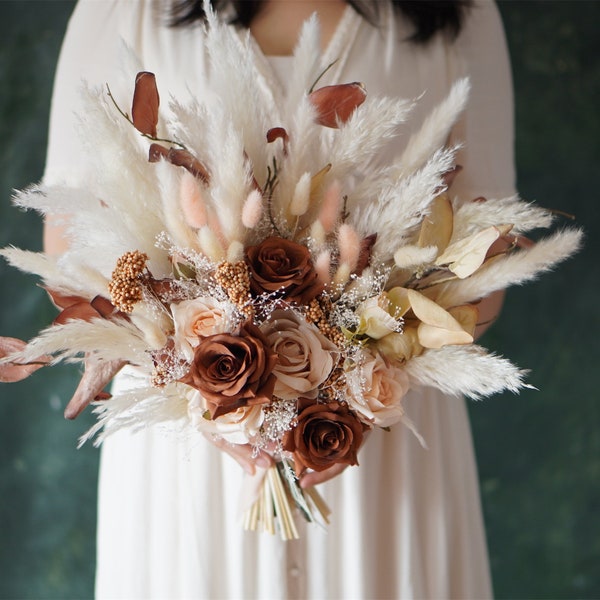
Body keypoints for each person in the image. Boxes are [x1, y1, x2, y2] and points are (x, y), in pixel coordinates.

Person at [43, 1, 515, 597]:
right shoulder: (122, 9)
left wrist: (357, 372)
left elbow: (492, 241)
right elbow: (68, 231)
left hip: (385, 435)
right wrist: (199, 382)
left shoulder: (462, 13)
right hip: (185, 446)